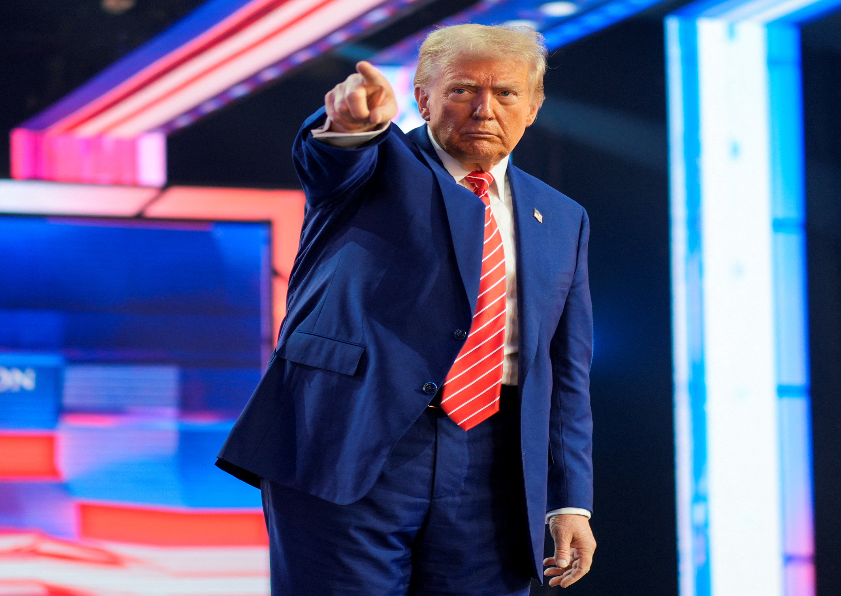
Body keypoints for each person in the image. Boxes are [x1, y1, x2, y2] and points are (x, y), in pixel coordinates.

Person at [217, 23, 595, 596]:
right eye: (462, 90)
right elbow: (330, 157)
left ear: (534, 106)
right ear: (422, 98)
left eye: (506, 93)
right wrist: (351, 124)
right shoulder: (377, 165)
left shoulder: (563, 216)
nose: (484, 109)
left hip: (494, 470)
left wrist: (569, 501)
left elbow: (565, 371)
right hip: (348, 441)